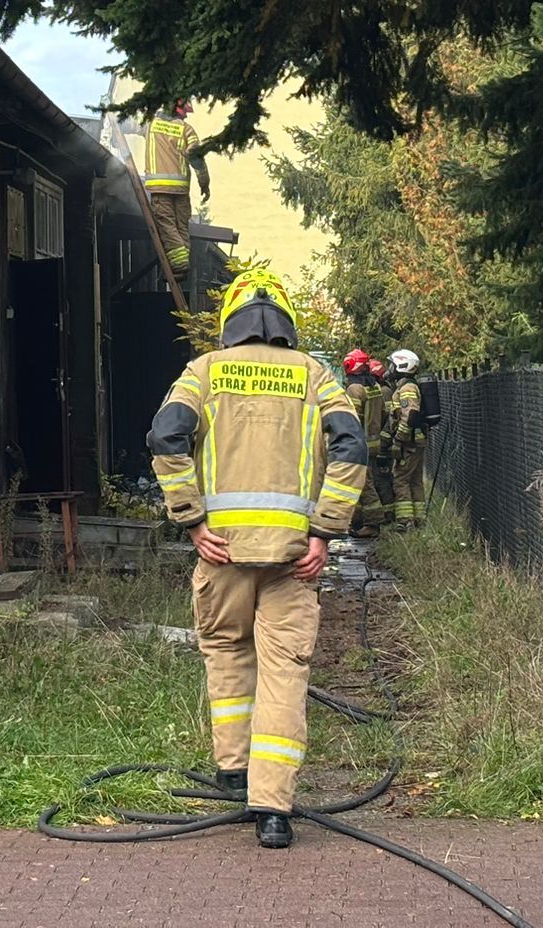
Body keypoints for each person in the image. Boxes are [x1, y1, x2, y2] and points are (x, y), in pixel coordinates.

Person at [148, 270, 370, 848]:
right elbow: (351, 445)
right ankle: (273, 810)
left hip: (222, 553)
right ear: (286, 322)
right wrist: (324, 531)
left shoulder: (204, 372)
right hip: (294, 558)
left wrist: (192, 519)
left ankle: (233, 769)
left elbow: (165, 438)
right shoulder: (315, 374)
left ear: (230, 320)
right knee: (284, 672)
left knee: (225, 651)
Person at [143, 100, 210, 283]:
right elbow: (197, 158)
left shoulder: (151, 124)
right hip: (181, 189)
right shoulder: (187, 130)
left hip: (160, 188)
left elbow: (126, 122)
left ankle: (179, 266)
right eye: (184, 113)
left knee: (167, 226)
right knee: (181, 228)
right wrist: (205, 182)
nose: (186, 116)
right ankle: (181, 270)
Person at [340, 349, 387, 539]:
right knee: (365, 480)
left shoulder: (354, 390)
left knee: (364, 483)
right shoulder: (374, 387)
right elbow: (383, 413)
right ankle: (357, 520)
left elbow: (351, 418)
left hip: (359, 443)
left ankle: (373, 523)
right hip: (374, 442)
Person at [384, 349, 428, 530]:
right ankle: (419, 520)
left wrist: (398, 441)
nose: (390, 369)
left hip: (409, 443)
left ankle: (405, 521)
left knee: (400, 478)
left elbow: (408, 416)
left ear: (402, 366)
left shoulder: (407, 388)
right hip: (416, 442)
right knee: (415, 480)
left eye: (393, 365)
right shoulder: (408, 386)